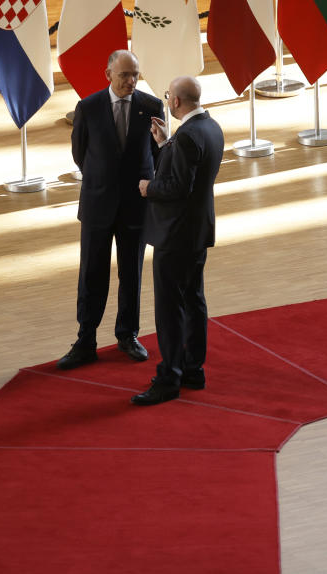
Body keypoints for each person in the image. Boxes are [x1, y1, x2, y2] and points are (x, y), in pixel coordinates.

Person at [58, 50, 164, 370]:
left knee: (131, 272)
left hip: (135, 205)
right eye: (124, 75)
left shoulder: (151, 106)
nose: (131, 81)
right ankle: (86, 339)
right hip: (97, 204)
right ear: (108, 75)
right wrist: (104, 179)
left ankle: (127, 335)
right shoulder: (87, 108)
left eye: (135, 75)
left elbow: (157, 155)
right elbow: (80, 153)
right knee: (92, 273)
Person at [132, 76, 224, 406]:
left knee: (170, 308)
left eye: (168, 95)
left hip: (175, 235)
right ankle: (193, 369)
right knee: (194, 299)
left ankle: (169, 376)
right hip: (198, 231)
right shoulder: (211, 128)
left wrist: (148, 188)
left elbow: (176, 187)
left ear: (174, 103)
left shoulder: (187, 137)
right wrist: (164, 144)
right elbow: (191, 170)